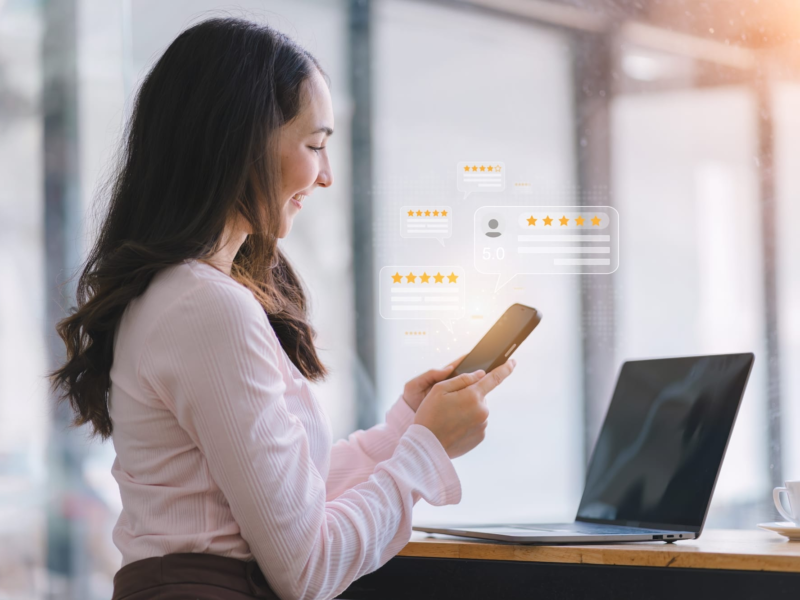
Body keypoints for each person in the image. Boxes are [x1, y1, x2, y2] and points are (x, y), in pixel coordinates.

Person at [49, 17, 516, 600]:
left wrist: (404, 429)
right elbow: (307, 566)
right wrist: (424, 452)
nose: (325, 176)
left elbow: (284, 500)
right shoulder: (207, 307)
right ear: (239, 141)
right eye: (315, 145)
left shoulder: (178, 295)